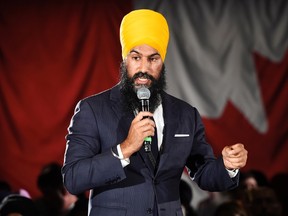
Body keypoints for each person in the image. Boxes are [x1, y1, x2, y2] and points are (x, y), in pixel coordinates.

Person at [62, 9, 248, 216]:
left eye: (153, 59)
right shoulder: (93, 109)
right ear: (125, 60)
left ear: (163, 62)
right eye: (136, 57)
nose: (144, 68)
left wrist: (227, 166)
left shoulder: (185, 114)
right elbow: (73, 179)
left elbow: (204, 174)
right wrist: (124, 149)